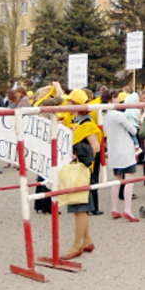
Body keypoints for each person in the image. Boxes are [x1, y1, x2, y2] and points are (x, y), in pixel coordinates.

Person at [60, 89, 101, 260]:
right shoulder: (75, 122)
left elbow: (96, 147)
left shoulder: (87, 124)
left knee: (79, 208)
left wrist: (79, 154)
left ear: (76, 105)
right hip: (77, 169)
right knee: (79, 207)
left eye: (70, 102)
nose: (67, 104)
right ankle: (87, 241)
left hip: (82, 169)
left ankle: (77, 245)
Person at [102, 89, 139, 222]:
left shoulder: (104, 114)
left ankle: (114, 208)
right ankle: (127, 209)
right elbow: (133, 130)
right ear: (111, 99)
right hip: (125, 149)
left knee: (116, 179)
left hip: (113, 150)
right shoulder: (118, 115)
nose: (119, 100)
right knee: (129, 179)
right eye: (116, 98)